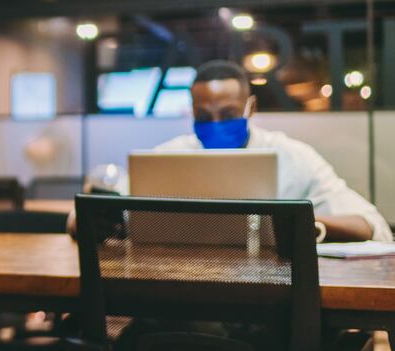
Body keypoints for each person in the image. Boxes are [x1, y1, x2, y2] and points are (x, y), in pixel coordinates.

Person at [153, 59, 390, 242]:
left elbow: (371, 225)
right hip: (187, 279)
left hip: (268, 292)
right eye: (204, 116)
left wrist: (295, 223)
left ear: (251, 108)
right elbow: (123, 214)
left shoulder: (291, 156)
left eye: (227, 114)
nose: (216, 124)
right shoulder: (166, 157)